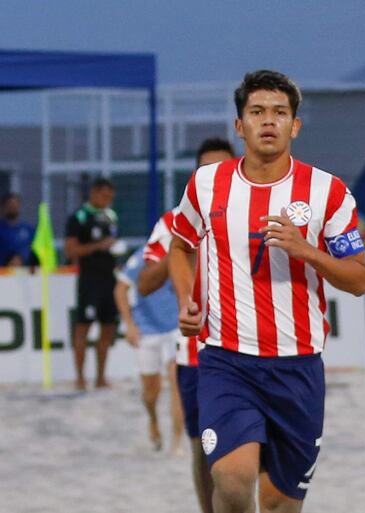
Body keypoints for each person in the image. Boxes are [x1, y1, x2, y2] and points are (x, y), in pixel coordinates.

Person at [169, 70, 365, 513]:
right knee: (234, 480)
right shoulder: (207, 184)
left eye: (280, 113)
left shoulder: (327, 191)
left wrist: (308, 251)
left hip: (298, 368)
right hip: (226, 360)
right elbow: (180, 245)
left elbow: (360, 279)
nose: (269, 121)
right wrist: (187, 299)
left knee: (280, 504)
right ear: (239, 126)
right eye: (257, 111)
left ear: (295, 126)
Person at [137, 137, 235, 513]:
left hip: (253, 347)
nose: (214, 176)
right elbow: (145, 285)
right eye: (205, 170)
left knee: (250, 454)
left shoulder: (261, 210)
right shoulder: (172, 221)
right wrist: (183, 244)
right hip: (195, 353)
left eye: (221, 168)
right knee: (202, 449)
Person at [114, 245, 184, 452]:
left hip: (175, 329)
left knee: (177, 383)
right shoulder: (143, 255)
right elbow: (120, 289)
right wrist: (129, 324)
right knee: (150, 393)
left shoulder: (182, 251)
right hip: (148, 331)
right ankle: (153, 420)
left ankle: (176, 442)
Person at [65, 177, 119, 390]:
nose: (108, 200)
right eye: (105, 196)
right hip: (89, 280)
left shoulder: (111, 216)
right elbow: (71, 251)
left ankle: (101, 377)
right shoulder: (79, 216)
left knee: (108, 328)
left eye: (110, 197)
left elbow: (111, 242)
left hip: (110, 278)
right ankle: (80, 377)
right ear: (94, 193)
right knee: (83, 328)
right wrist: (99, 246)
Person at [0, 193, 35, 266]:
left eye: (15, 205)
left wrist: (20, 257)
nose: (13, 207)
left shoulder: (29, 229)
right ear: (3, 207)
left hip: (25, 272)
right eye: (10, 205)